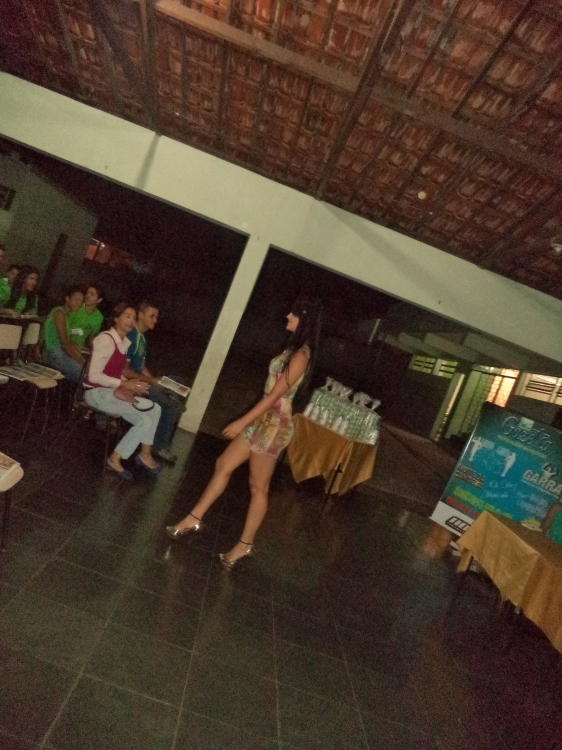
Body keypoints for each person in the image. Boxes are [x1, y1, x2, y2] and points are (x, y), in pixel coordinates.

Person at [166, 298, 323, 567]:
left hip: (274, 425)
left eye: (293, 313)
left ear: (304, 319)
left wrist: (242, 421)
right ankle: (194, 518)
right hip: (263, 419)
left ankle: (245, 544)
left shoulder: (301, 356)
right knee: (223, 464)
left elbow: (275, 396)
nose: (287, 315)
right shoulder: (292, 350)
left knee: (258, 486)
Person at [84, 302, 162, 480]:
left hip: (111, 392)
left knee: (155, 409)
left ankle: (145, 454)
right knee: (144, 420)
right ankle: (115, 458)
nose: (131, 321)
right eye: (127, 316)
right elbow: (94, 375)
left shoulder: (124, 342)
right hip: (96, 394)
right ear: (116, 318)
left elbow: (115, 372)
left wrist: (131, 384)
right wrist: (125, 383)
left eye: (133, 318)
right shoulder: (105, 339)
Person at [122, 300, 187, 464]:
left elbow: (141, 366)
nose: (155, 320)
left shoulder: (142, 339)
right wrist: (151, 381)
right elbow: (124, 371)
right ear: (140, 315)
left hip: (141, 380)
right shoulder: (130, 336)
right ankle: (160, 446)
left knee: (178, 382)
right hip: (129, 383)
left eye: (156, 317)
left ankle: (171, 397)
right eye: (152, 316)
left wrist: (157, 381)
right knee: (168, 403)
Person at [43, 286, 87, 382]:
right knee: (83, 374)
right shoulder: (59, 312)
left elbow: (69, 343)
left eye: (81, 301)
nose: (79, 304)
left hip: (60, 353)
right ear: (67, 299)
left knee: (86, 370)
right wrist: (80, 360)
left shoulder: (67, 315)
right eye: (77, 300)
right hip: (53, 354)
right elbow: (64, 343)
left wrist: (81, 359)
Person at [68, 284, 104, 348]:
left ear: (99, 300)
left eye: (92, 294)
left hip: (79, 347)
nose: (87, 296)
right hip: (65, 343)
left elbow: (91, 337)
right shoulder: (77, 306)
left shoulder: (99, 317)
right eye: (87, 293)